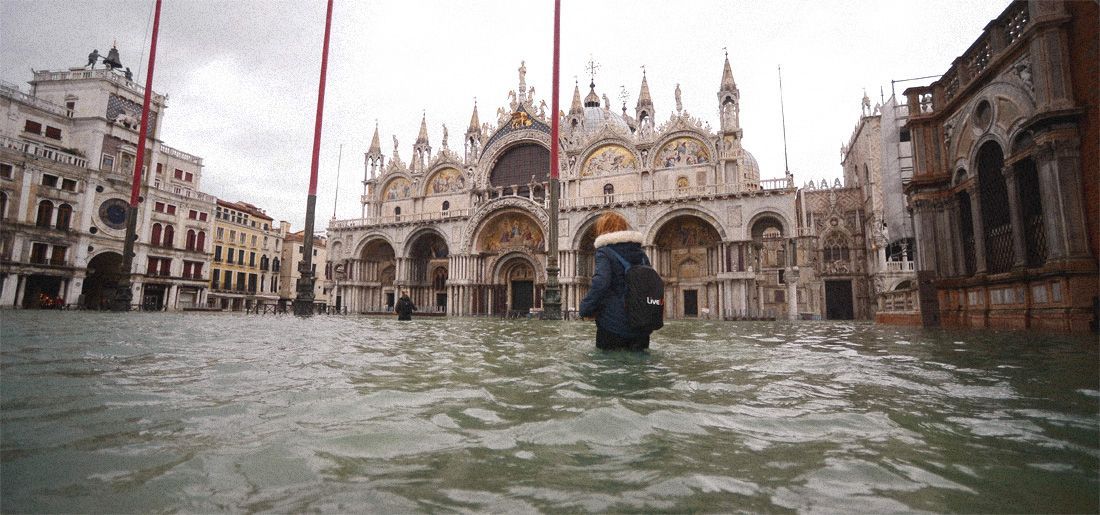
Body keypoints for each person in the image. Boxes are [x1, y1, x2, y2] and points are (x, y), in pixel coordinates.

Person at [579, 212, 653, 351]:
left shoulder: (605, 251)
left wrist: (585, 309)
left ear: (602, 229)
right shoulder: (641, 254)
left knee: (609, 368)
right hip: (641, 328)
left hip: (613, 326)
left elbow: (601, 283)